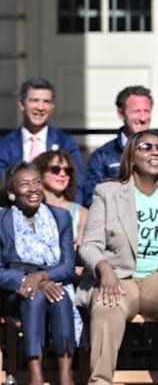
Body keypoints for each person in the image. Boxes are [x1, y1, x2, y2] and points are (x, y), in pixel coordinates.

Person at [77, 131, 158, 385]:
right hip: (120, 277)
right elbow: (89, 245)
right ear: (132, 157)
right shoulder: (107, 193)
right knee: (106, 303)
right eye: (146, 147)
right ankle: (100, 381)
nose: (155, 151)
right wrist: (104, 268)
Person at [0, 162, 76, 385]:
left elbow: (67, 266)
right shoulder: (2, 220)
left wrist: (41, 277)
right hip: (14, 292)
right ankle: (35, 374)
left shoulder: (60, 217)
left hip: (54, 283)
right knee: (35, 295)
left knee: (59, 297)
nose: (33, 189)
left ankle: (66, 375)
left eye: (36, 182)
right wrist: (27, 280)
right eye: (25, 184)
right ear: (11, 192)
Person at [83, 85, 158, 207]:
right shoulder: (103, 156)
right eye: (136, 111)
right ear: (121, 113)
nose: (143, 118)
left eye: (146, 111)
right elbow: (92, 198)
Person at [0, 77, 85, 203]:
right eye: (34, 100)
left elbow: (77, 185)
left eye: (46, 101)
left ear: (52, 106)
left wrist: (73, 216)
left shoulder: (66, 143)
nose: (40, 107)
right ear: (22, 104)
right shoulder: (5, 146)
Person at [33, 150, 88, 249]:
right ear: (40, 172)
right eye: (55, 169)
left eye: (67, 170)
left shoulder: (82, 214)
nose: (63, 174)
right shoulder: (29, 209)